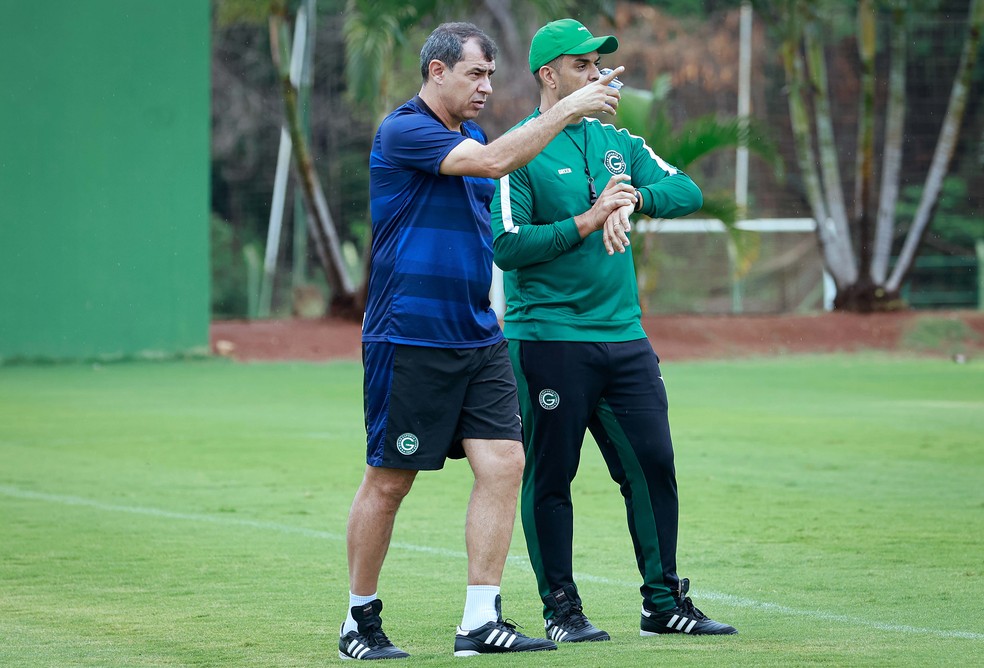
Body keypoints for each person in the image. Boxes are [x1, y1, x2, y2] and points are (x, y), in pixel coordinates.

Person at [340, 22, 625, 660]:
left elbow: (505, 166)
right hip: (409, 335)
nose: (487, 88)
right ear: (436, 71)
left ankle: (479, 620)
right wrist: (571, 105)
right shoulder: (405, 130)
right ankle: (359, 620)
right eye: (475, 74)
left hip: (477, 333)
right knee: (390, 481)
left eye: (492, 76)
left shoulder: (471, 135)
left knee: (505, 464)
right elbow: (499, 160)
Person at [490, 18, 738, 643]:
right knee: (552, 476)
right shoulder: (517, 149)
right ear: (549, 76)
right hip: (547, 337)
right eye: (582, 65)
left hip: (624, 338)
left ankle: (663, 603)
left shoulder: (617, 142)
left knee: (653, 464)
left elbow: (686, 189)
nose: (596, 74)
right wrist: (588, 218)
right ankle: (562, 610)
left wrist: (631, 202)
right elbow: (507, 246)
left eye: (599, 64)